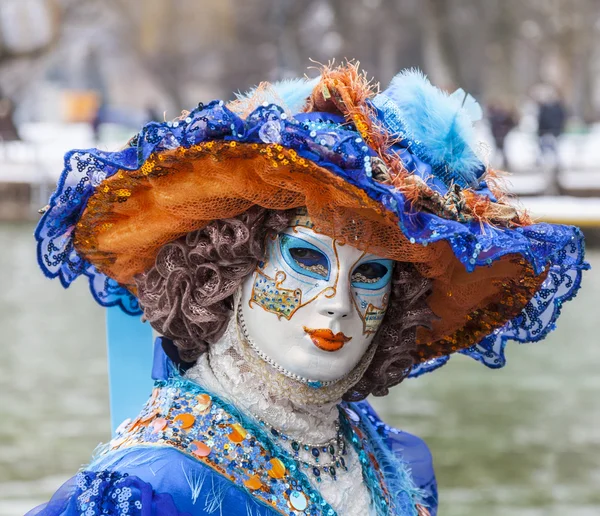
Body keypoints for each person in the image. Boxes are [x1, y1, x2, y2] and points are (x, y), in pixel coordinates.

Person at [31, 64, 587, 515]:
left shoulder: (394, 460)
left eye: (371, 274)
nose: (338, 303)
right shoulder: (146, 491)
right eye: (304, 258)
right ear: (229, 265)